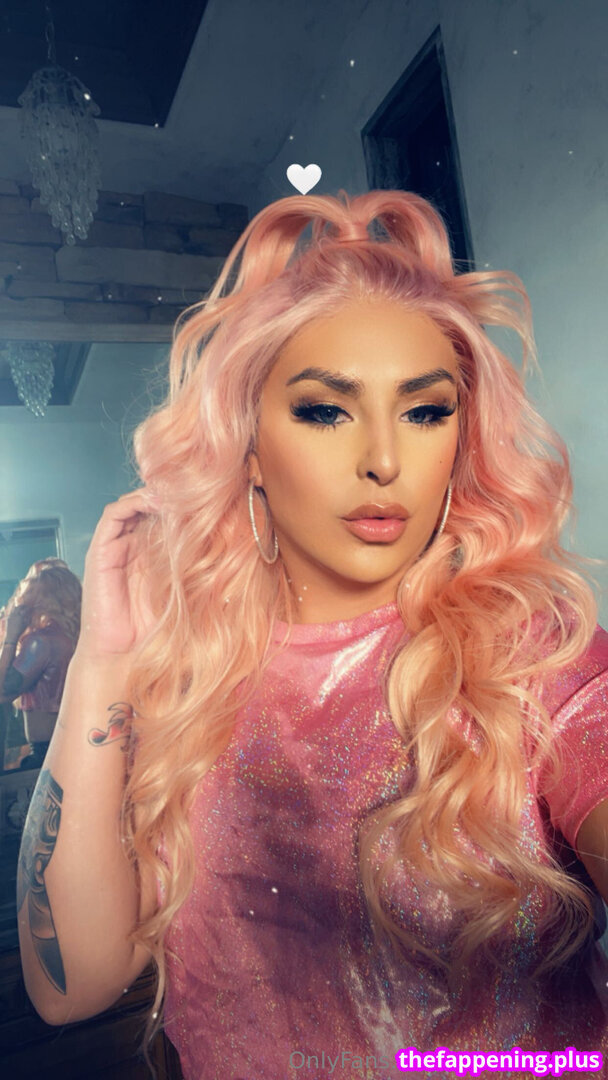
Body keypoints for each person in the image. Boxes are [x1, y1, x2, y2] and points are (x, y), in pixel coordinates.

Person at [16, 190, 608, 1080]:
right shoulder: (194, 676)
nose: (384, 459)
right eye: (326, 411)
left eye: (425, 411)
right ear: (248, 445)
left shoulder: (531, 657)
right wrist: (103, 661)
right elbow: (71, 985)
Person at [0, 559, 82, 770]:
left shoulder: (40, 642)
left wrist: (10, 638)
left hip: (47, 751)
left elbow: (2, 692)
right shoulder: (75, 638)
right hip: (75, 742)